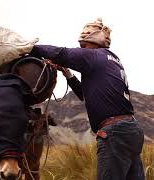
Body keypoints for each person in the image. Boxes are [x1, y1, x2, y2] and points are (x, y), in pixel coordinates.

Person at [30, 18, 145, 180]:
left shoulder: (93, 56)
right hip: (131, 130)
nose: (81, 49)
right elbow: (85, 94)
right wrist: (68, 74)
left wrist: (28, 47)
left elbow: (60, 53)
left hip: (114, 132)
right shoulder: (112, 60)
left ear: (93, 42)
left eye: (83, 46)